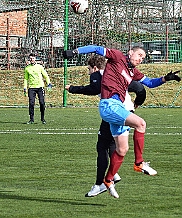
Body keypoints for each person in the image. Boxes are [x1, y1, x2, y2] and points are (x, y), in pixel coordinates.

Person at [63, 45, 181, 198]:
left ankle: (107, 180)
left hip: (118, 108)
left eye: (143, 58)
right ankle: (139, 163)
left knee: (122, 149)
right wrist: (75, 51)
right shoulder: (117, 57)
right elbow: (97, 49)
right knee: (141, 124)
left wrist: (166, 78)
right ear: (130, 52)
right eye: (139, 55)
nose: (140, 59)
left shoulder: (134, 72)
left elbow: (150, 83)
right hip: (109, 105)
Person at [65, 54, 146, 197]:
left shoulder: (99, 74)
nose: (89, 72)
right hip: (124, 111)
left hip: (115, 112)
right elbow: (140, 88)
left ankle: (100, 184)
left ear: (95, 67)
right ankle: (113, 176)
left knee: (102, 146)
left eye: (89, 69)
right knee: (113, 144)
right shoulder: (117, 73)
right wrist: (136, 104)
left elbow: (94, 88)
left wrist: (72, 89)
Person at [24, 53, 52, 124]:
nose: (31, 60)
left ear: (35, 58)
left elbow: (46, 76)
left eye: (33, 58)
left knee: (42, 103)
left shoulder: (40, 67)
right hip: (31, 88)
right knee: (31, 103)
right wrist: (25, 87)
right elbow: (26, 79)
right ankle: (31, 119)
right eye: (30, 59)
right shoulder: (27, 68)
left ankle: (43, 119)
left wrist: (49, 83)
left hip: (40, 87)